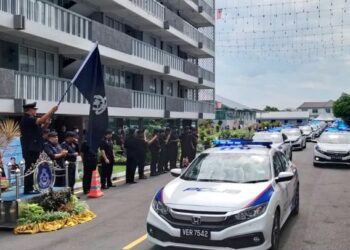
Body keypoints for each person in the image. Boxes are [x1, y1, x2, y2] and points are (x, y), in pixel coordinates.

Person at [20, 102, 58, 194]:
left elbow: (40, 131)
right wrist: (51, 111)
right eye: (34, 109)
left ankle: (32, 186)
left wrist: (47, 124)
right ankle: (28, 189)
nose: (36, 111)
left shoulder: (31, 120)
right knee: (30, 167)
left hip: (35, 148)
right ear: (30, 110)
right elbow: (41, 120)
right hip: (30, 148)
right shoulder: (26, 119)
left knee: (34, 168)